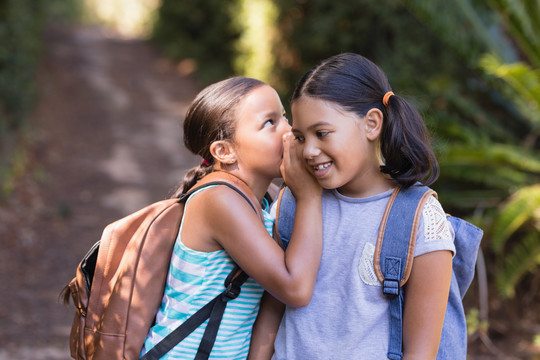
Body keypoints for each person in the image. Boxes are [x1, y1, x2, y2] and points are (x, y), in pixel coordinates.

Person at [248, 53, 455, 360]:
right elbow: (272, 307)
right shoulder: (294, 201)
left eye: (322, 133)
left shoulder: (420, 219)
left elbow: (421, 352)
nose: (309, 151)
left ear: (371, 124)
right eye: (300, 137)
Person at [140, 77, 323, 359]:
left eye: (285, 117)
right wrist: (310, 197)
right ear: (224, 151)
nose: (290, 131)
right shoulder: (219, 200)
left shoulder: (265, 198)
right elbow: (295, 288)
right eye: (270, 123)